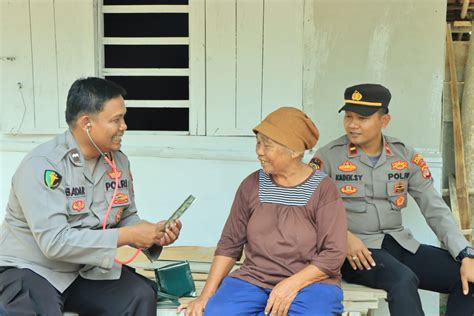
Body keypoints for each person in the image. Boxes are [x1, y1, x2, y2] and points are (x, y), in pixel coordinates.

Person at [0, 77, 182, 315]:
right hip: (32, 269)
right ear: (86, 123)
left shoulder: (118, 162)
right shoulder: (44, 166)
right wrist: (127, 235)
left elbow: (125, 216)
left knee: (138, 295)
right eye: (116, 120)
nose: (124, 126)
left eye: (123, 117)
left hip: (83, 270)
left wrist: (152, 235)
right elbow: (54, 243)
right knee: (33, 308)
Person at [310, 83, 474, 316]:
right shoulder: (328, 157)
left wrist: (465, 253)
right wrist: (342, 237)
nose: (352, 124)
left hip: (399, 244)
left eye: (362, 118)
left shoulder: (404, 155)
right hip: (356, 252)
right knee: (403, 280)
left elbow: (435, 208)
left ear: (384, 121)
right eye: (348, 117)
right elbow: (307, 208)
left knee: (468, 275)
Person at [178, 107, 347, 316]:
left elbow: (334, 254)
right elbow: (230, 243)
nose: (259, 151)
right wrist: (205, 296)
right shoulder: (252, 184)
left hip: (310, 283)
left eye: (267, 145)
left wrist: (289, 285)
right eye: (258, 142)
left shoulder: (323, 189)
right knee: (216, 312)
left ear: (295, 151)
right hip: (254, 279)